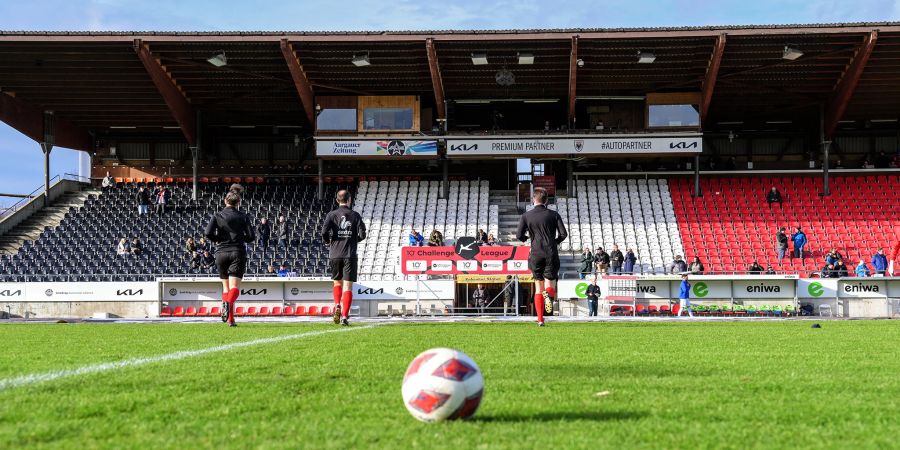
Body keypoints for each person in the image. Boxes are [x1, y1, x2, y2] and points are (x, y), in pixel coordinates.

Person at [205, 184, 255, 327]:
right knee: (234, 289)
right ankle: (227, 305)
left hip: (221, 252)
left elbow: (208, 233)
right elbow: (251, 237)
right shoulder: (243, 216)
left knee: (226, 289)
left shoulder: (217, 215)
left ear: (225, 201)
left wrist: (218, 240)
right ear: (238, 203)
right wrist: (239, 238)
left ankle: (230, 319)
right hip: (237, 252)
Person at [516, 187, 567, 327]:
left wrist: (530, 239)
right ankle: (548, 295)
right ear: (546, 200)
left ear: (534, 199)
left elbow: (519, 236)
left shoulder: (526, 216)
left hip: (536, 252)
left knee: (538, 287)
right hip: (551, 251)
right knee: (550, 286)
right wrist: (553, 242)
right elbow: (563, 234)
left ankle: (540, 320)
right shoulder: (554, 214)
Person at [322, 189, 367, 326]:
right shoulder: (355, 215)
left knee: (337, 283)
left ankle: (337, 305)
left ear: (337, 200)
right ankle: (345, 317)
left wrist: (328, 241)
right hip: (350, 255)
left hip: (335, 254)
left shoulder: (331, 214)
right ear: (349, 200)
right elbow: (363, 234)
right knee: (348, 286)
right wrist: (354, 240)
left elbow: (324, 232)